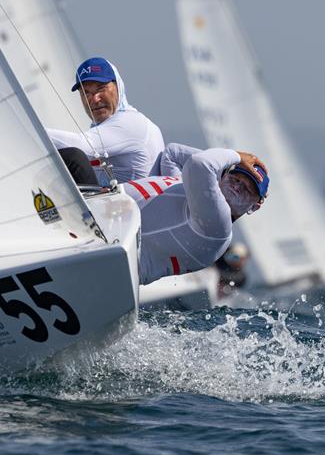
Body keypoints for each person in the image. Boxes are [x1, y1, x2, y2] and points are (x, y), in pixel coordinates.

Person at [125, 143, 268, 285]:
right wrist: (221, 170)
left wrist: (237, 156)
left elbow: (200, 163)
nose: (236, 187)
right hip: (111, 225)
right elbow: (172, 154)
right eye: (235, 179)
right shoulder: (192, 190)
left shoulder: (218, 225)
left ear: (254, 207)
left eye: (246, 189)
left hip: (118, 259)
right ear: (223, 176)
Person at [47, 57, 165, 185]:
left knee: (73, 157)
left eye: (100, 89)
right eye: (86, 93)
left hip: (141, 204)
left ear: (118, 87)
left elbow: (82, 146)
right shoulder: (110, 126)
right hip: (122, 203)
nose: (94, 99)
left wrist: (27, 130)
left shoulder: (131, 122)